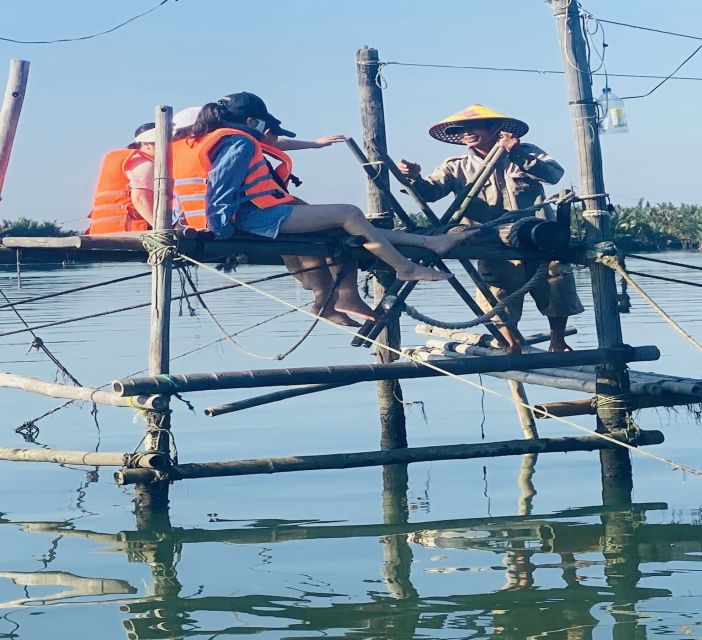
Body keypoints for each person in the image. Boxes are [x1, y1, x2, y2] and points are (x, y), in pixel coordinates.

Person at [171, 92, 479, 324]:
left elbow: (184, 189)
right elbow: (220, 185)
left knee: (342, 226)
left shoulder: (198, 140)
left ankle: (344, 295)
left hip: (226, 219)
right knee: (349, 214)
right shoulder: (238, 142)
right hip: (248, 219)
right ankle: (405, 267)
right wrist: (221, 230)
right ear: (252, 122)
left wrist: (315, 144)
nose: (270, 136)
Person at [398, 104, 584, 352]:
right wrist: (414, 178)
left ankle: (558, 341)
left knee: (556, 283)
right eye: (461, 130)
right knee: (496, 293)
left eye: (472, 127)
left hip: (537, 235)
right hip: (489, 240)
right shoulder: (456, 166)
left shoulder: (526, 152)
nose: (466, 133)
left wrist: (516, 153)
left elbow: (553, 175)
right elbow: (430, 192)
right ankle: (510, 342)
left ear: (495, 128)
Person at [86, 123, 156, 234]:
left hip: (101, 233)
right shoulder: (142, 162)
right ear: (147, 144)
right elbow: (140, 200)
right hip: (129, 232)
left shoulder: (119, 158)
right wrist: (162, 230)